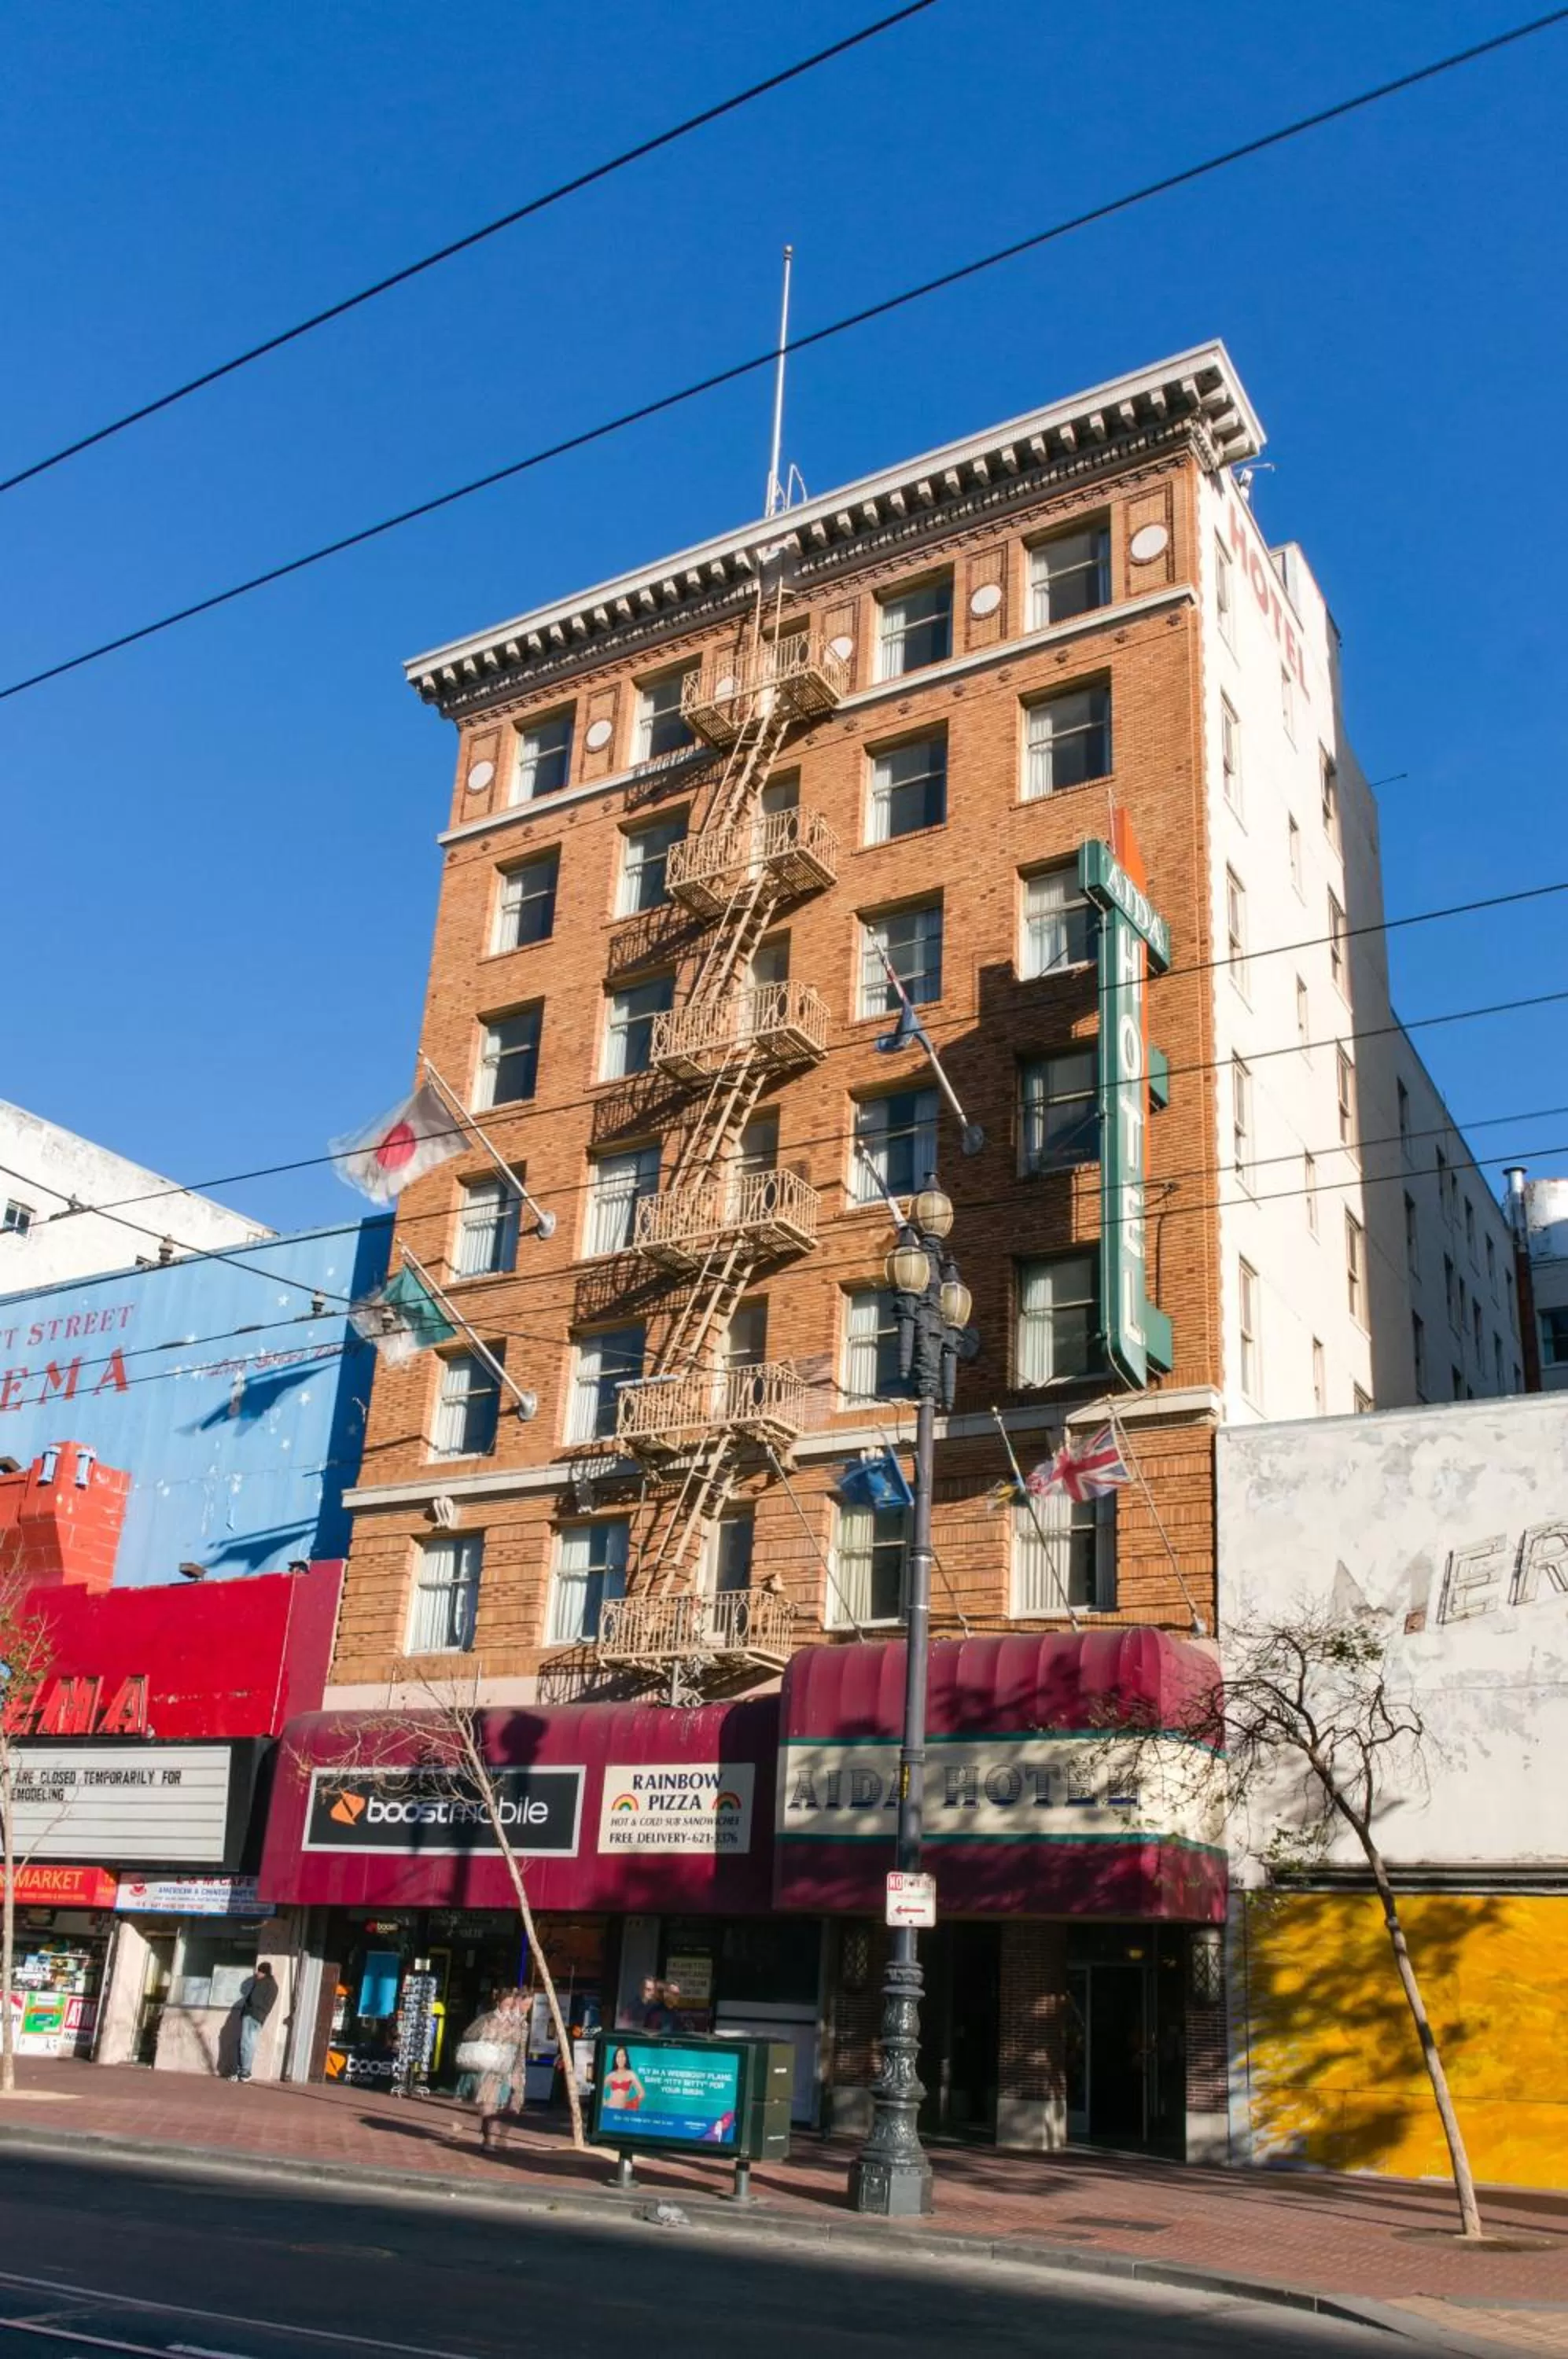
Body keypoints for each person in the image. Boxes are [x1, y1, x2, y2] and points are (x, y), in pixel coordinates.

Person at [235, 1962, 278, 2083]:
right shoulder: (274, 1986)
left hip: (251, 2015)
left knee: (245, 2043)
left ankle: (244, 2071)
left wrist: (247, 2008)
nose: (256, 1974)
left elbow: (253, 1998)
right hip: (260, 2018)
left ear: (263, 1972)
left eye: (259, 1971)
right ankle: (244, 2071)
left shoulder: (262, 1983)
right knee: (250, 2043)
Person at [602, 2045, 645, 2113]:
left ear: (626, 2058)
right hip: (610, 2109)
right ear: (615, 2059)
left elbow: (642, 2093)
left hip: (624, 2111)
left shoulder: (631, 2074)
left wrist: (631, 2104)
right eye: (618, 2057)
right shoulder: (611, 2075)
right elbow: (599, 2088)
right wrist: (604, 2102)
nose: (620, 2059)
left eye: (622, 2056)